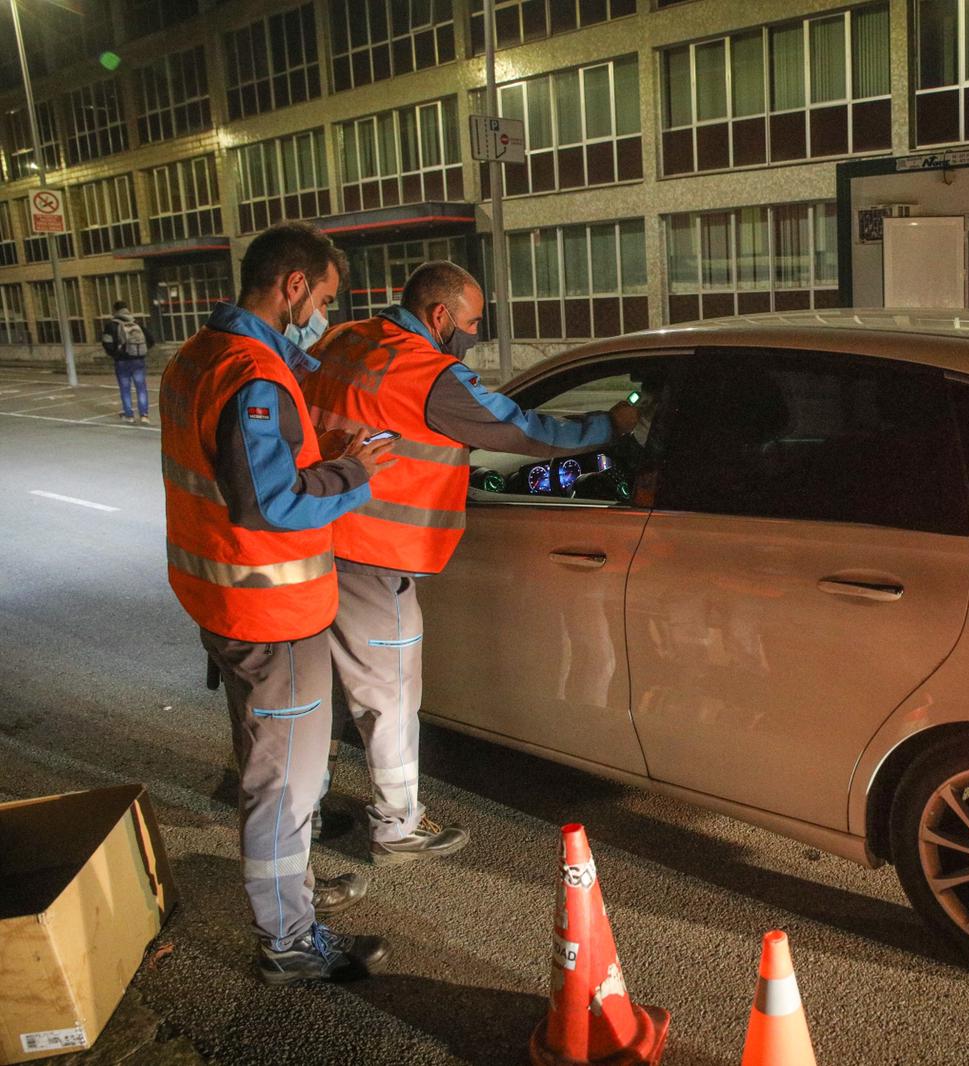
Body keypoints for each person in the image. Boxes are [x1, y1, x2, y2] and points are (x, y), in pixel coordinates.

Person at [300, 260, 636, 865]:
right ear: (440, 316)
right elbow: (524, 432)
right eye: (473, 323)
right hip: (372, 555)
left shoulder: (345, 339)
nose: (475, 335)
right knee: (389, 699)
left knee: (316, 690)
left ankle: (310, 811)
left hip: (308, 537)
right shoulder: (428, 374)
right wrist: (609, 426)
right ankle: (398, 827)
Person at [159, 222, 396, 985]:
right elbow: (270, 504)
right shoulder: (253, 377)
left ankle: (291, 898)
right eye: (323, 298)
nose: (324, 313)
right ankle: (289, 941)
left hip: (225, 603)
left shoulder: (199, 355)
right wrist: (353, 473)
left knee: (267, 767)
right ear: (293, 286)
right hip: (273, 616)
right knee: (284, 789)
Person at [102, 300, 150, 424]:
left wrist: (116, 354)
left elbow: (107, 343)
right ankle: (144, 415)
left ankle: (129, 416)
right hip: (138, 360)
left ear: (115, 310)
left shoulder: (111, 325)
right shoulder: (136, 323)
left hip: (122, 361)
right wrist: (140, 352)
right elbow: (151, 340)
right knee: (141, 388)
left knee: (125, 389)